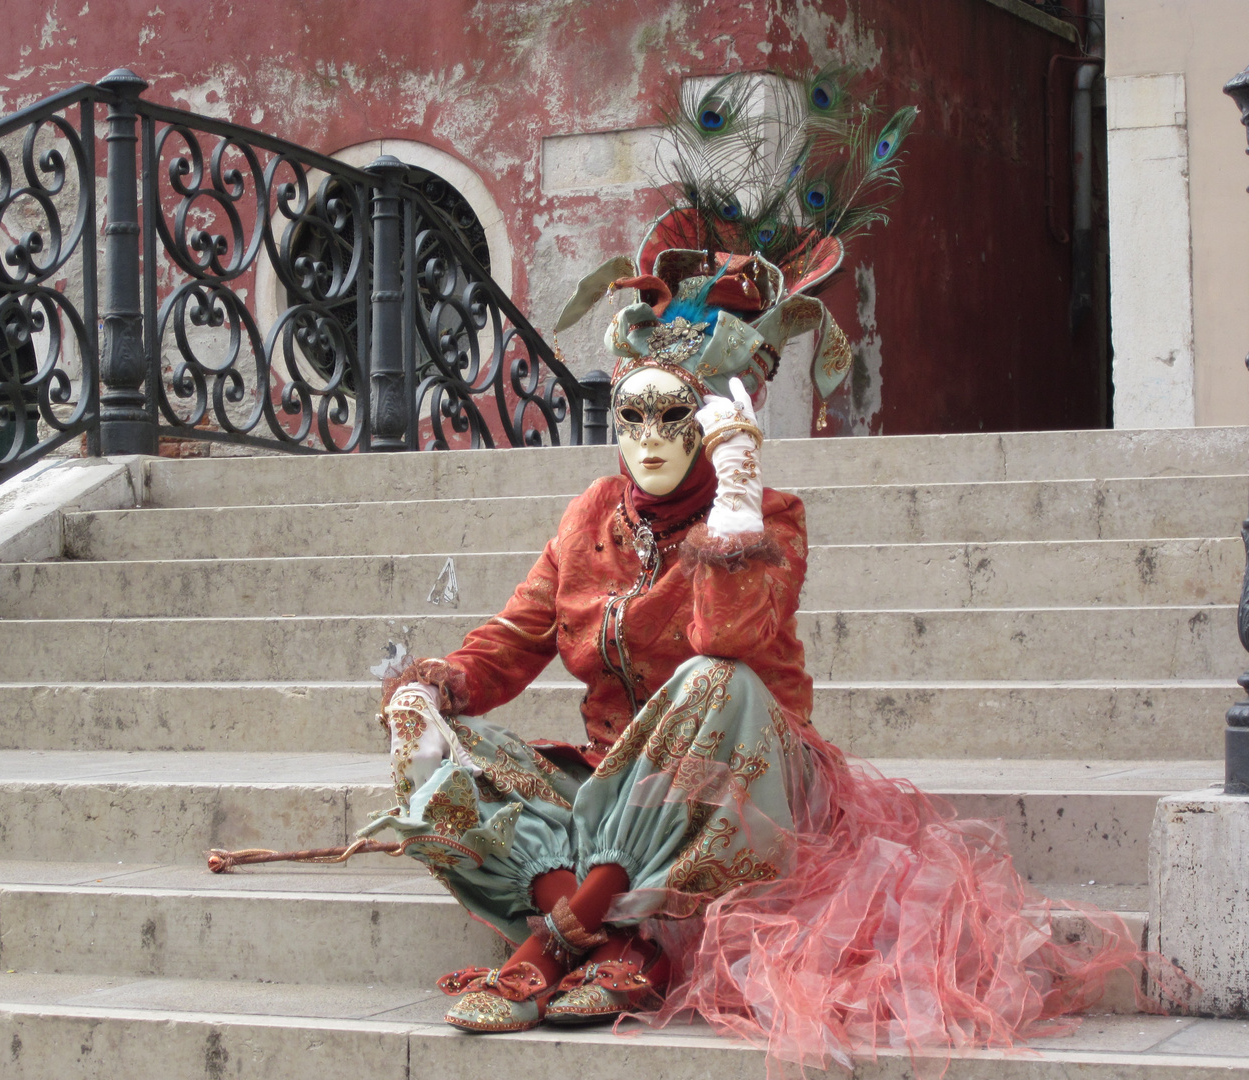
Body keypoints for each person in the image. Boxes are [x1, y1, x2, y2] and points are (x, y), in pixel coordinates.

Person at [359, 251, 1166, 1067]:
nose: (647, 440)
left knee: (714, 680)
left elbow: (729, 645)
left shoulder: (768, 516)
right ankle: (619, 944)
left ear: (712, 420)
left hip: (747, 772)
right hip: (617, 782)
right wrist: (441, 688)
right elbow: (518, 633)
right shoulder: (590, 517)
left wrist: (736, 501)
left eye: (673, 416)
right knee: (429, 744)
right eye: (630, 417)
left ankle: (557, 940)